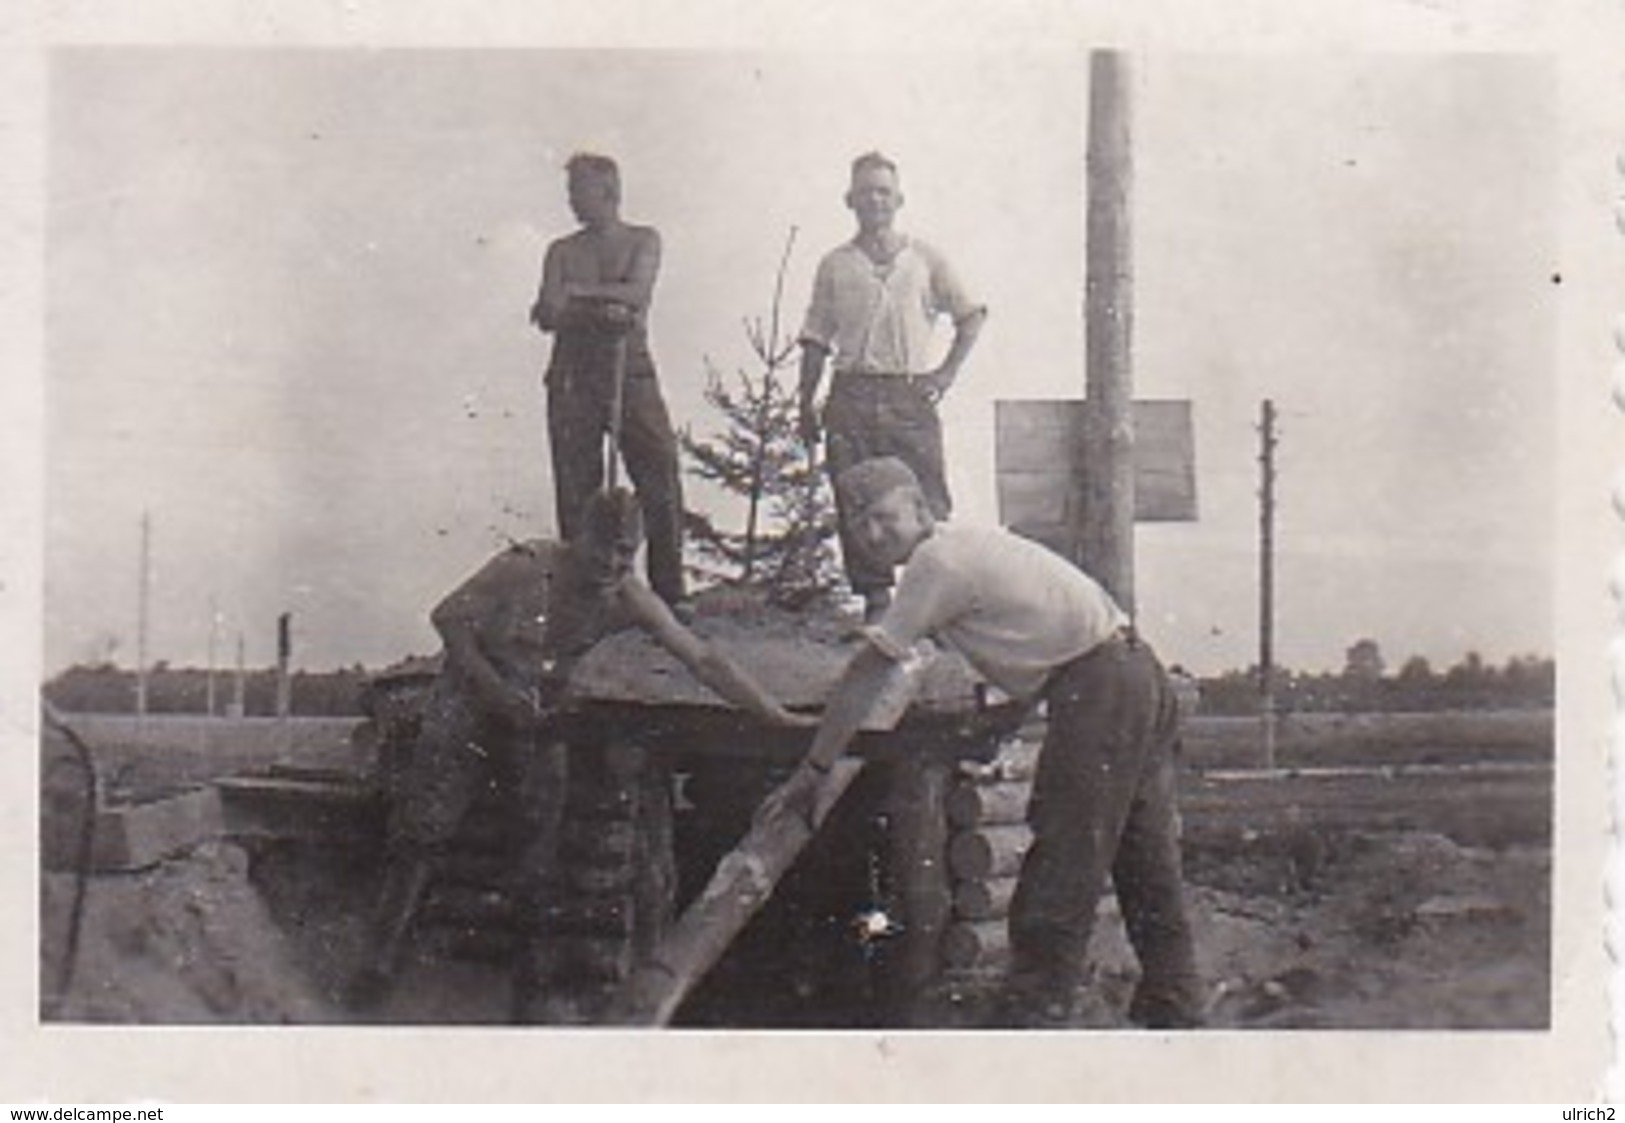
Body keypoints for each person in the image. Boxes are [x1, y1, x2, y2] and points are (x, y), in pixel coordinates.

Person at [772, 457, 1205, 1029]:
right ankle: (1180, 1015)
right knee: (1145, 865)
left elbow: (868, 670)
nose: (872, 535)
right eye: (859, 526)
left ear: (920, 510)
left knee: (1062, 865)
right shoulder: (960, 547)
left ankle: (1031, 1023)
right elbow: (1049, 644)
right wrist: (1002, 723)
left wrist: (815, 768)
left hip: (1103, 690)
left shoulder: (935, 562)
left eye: (883, 517)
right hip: (1135, 673)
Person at [347, 488, 806, 1017]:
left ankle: (528, 969)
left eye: (625, 552)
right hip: (473, 690)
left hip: (535, 708)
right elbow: (448, 619)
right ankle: (380, 958)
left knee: (541, 820)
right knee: (426, 822)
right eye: (601, 550)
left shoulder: (628, 596)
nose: (611, 564)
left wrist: (773, 714)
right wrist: (497, 693)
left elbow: (702, 659)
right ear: (578, 537)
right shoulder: (526, 567)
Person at [797, 151, 987, 622]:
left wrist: (944, 374)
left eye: (883, 191)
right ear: (850, 200)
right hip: (850, 394)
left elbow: (970, 315)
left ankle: (934, 609)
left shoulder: (924, 258)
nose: (874, 201)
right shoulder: (835, 265)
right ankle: (877, 611)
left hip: (908, 395)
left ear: (899, 199)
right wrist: (805, 402)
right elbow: (817, 337)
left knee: (927, 498)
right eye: (865, 192)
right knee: (858, 503)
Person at [530, 152, 688, 608]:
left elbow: (637, 295)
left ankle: (669, 591)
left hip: (630, 371)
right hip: (572, 376)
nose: (574, 202)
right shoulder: (561, 250)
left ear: (609, 193)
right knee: (576, 485)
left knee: (658, 471)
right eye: (571, 192)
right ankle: (584, 596)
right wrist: (604, 306)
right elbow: (547, 309)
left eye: (581, 191)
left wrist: (577, 296)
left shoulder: (643, 240)